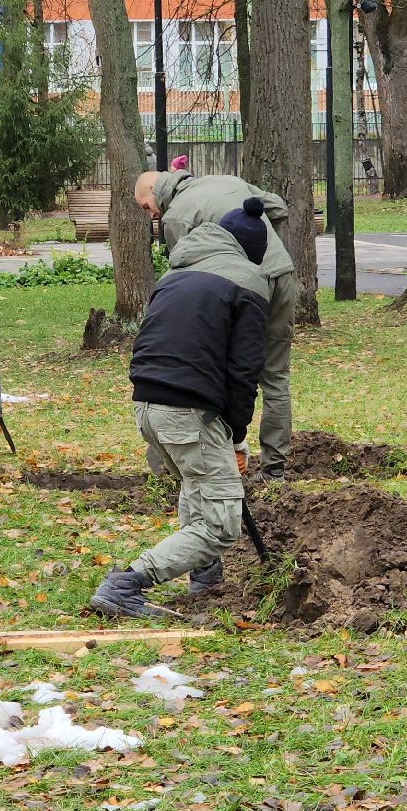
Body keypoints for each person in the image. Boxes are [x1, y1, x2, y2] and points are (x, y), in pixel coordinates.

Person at [91, 199, 272, 617]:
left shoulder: (177, 272)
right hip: (189, 410)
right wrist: (236, 433)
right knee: (221, 524)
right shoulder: (248, 281)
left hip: (148, 404)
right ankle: (126, 583)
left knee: (197, 486)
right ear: (249, 252)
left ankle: (206, 581)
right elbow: (244, 370)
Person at [133, 168, 297, 479]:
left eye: (146, 207)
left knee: (216, 365)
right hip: (281, 273)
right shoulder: (227, 180)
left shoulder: (176, 218)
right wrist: (258, 243)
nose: (151, 215)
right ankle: (275, 470)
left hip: (241, 288)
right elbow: (276, 206)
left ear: (156, 190)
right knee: (275, 376)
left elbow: (190, 274)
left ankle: (206, 453)